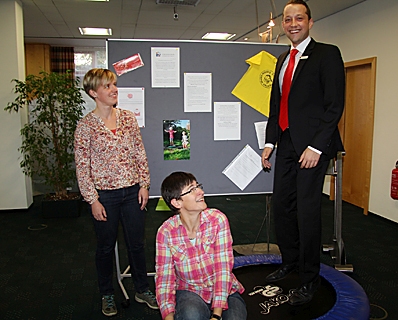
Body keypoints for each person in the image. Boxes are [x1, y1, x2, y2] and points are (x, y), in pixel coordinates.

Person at [261, 0, 345, 306]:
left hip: (312, 146)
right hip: (285, 144)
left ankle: (310, 278)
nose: (293, 23)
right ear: (282, 25)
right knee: (282, 207)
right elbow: (276, 107)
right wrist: (270, 144)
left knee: (307, 213)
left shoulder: (327, 54)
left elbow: (335, 106)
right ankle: (290, 262)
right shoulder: (282, 58)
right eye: (287, 19)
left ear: (310, 22)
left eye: (299, 18)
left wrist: (317, 146)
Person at [74, 68, 158, 316]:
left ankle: (142, 288)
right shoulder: (85, 126)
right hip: (105, 197)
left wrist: (144, 184)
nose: (114, 90)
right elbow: (82, 167)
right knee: (105, 247)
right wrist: (92, 200)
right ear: (93, 92)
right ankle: (107, 294)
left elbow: (139, 153)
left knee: (137, 244)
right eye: (107, 86)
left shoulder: (128, 119)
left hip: (132, 192)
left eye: (114, 84)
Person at [155, 172, 247, 320]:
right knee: (192, 316)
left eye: (198, 186)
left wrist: (216, 316)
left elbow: (223, 269)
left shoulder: (218, 220)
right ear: (177, 203)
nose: (201, 192)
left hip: (225, 289)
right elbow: (164, 279)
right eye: (192, 190)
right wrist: (168, 317)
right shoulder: (165, 232)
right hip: (190, 290)